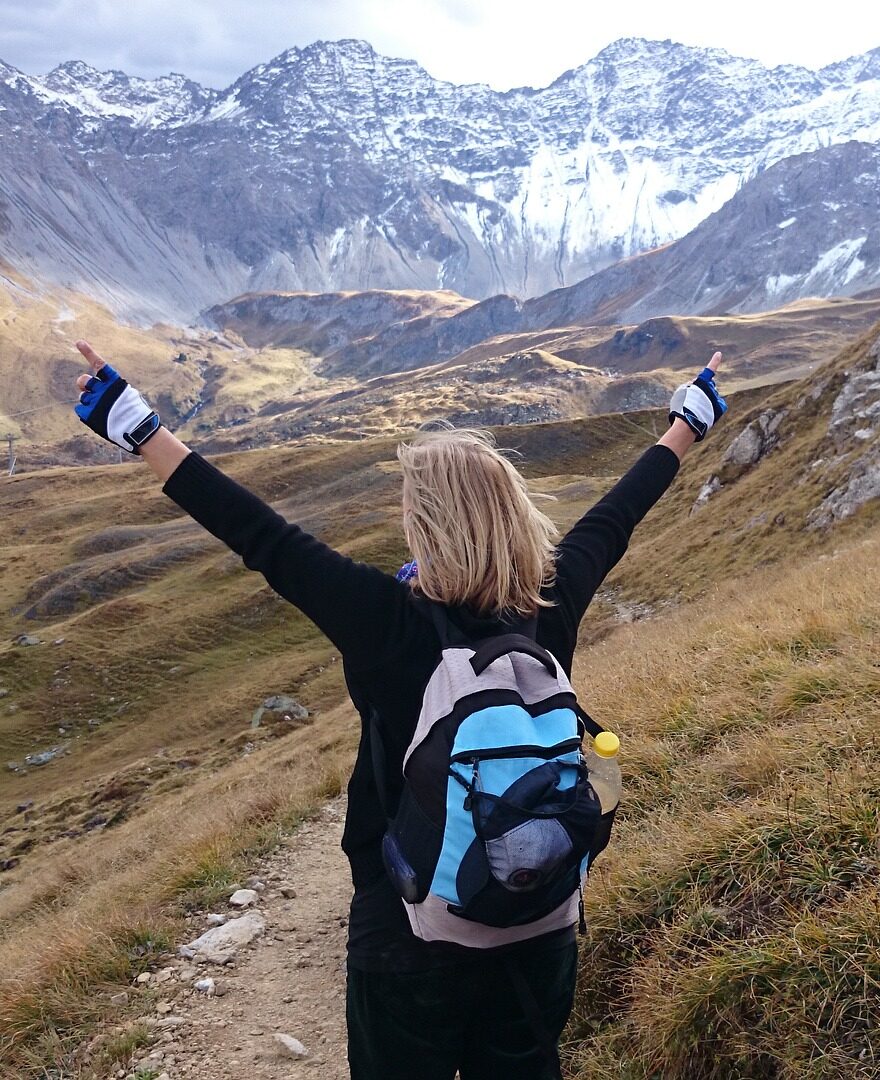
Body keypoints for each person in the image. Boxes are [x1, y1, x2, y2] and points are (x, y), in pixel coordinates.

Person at [72, 340, 726, 1079]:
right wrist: (689, 420)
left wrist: (138, 425)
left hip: (405, 929)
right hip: (541, 917)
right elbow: (618, 514)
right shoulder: (552, 599)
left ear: (427, 528)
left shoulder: (384, 620)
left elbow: (260, 536)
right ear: (512, 513)